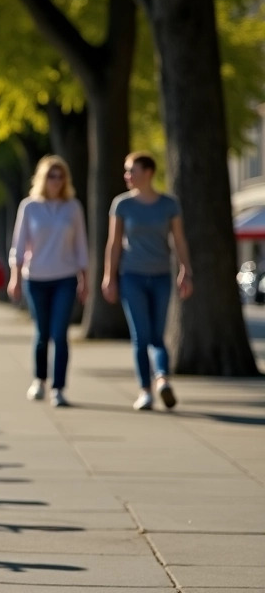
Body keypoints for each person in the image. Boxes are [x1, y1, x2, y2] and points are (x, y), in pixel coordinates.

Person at [101, 151, 193, 410]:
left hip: (161, 276)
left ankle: (162, 379)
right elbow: (114, 243)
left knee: (157, 335)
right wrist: (109, 276)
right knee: (141, 336)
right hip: (132, 277)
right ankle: (145, 391)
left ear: (148, 172)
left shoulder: (168, 204)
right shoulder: (122, 204)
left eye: (132, 170)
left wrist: (186, 270)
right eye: (126, 171)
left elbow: (179, 240)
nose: (127, 175)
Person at [8, 154, 89, 407]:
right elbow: (19, 245)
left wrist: (84, 279)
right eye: (51, 175)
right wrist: (15, 278)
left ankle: (59, 388)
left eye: (60, 175)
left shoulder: (73, 207)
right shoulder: (29, 206)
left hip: (65, 277)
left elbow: (81, 246)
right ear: (43, 178)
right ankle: (39, 380)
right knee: (42, 333)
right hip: (36, 278)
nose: (56, 180)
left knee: (60, 333)